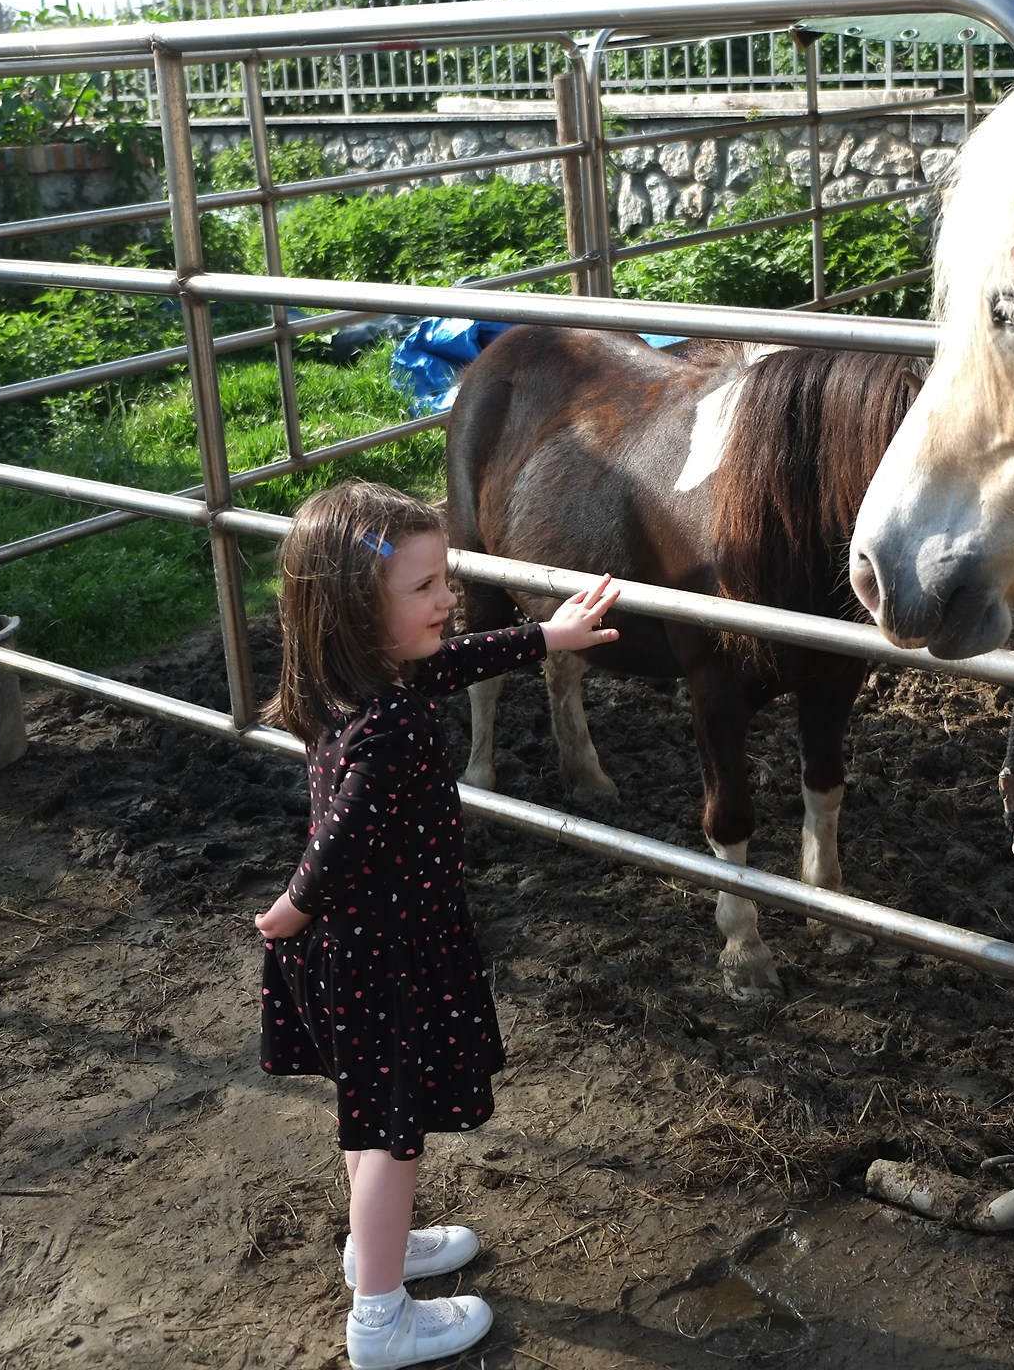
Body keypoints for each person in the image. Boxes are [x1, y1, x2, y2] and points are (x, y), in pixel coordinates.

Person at [255, 480, 620, 1370]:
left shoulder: (352, 680)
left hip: (365, 947)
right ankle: (381, 1321)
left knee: (368, 1112)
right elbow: (336, 847)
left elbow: (450, 661)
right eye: (424, 589)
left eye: (444, 580)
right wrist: (286, 914)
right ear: (353, 605)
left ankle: (373, 1251)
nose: (449, 600)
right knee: (389, 1130)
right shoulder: (395, 727)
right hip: (382, 951)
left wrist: (544, 635)